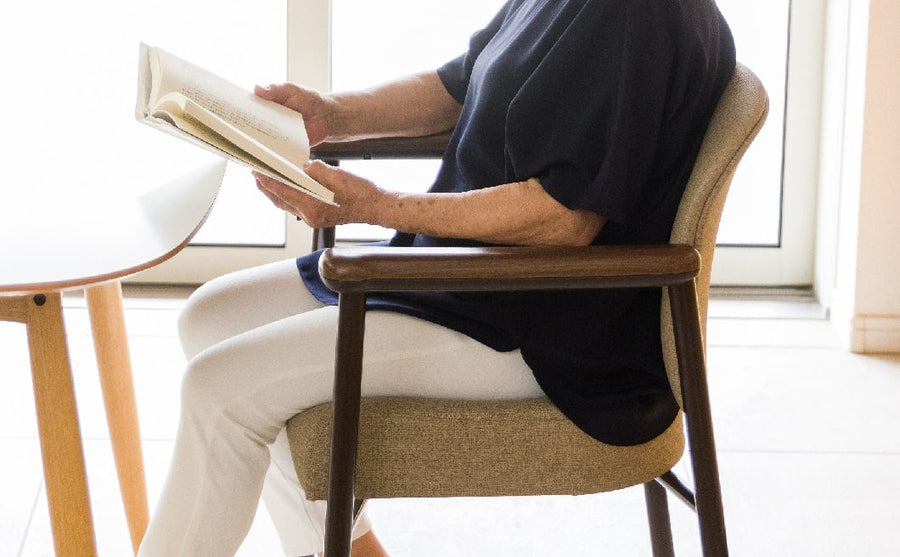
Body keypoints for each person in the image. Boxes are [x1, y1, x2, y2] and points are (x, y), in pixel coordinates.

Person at [138, 0, 736, 555]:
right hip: (465, 279)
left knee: (220, 391)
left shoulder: (637, 19)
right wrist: (333, 115)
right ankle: (343, 549)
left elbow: (563, 220)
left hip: (545, 330)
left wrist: (374, 206)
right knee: (209, 319)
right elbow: (463, 82)